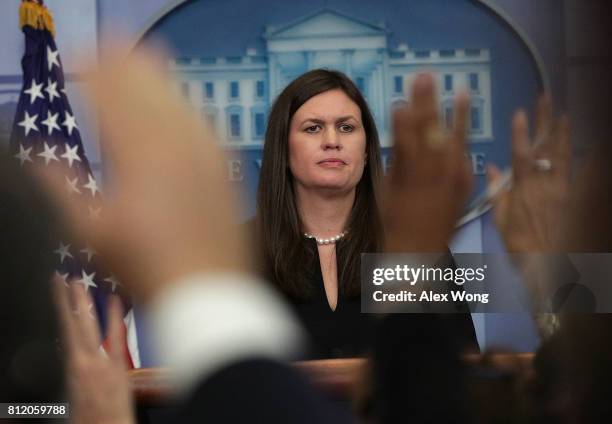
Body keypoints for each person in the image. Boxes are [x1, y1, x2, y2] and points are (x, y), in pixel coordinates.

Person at [252, 69, 478, 358]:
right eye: (313, 128)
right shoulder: (239, 251)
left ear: (367, 150)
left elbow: (460, 370)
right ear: (283, 148)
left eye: (346, 127)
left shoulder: (412, 247)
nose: (332, 140)